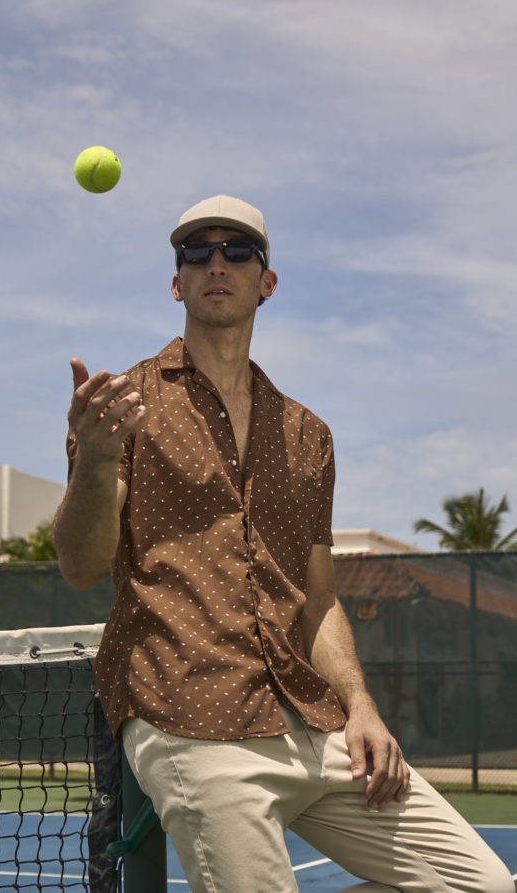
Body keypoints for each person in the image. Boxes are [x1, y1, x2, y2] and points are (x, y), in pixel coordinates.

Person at [53, 195, 513, 892]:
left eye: (236, 251)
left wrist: (361, 707)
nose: (216, 262)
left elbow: (320, 599)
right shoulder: (123, 409)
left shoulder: (308, 435)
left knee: (482, 884)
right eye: (196, 252)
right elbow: (81, 566)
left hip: (314, 725)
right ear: (176, 281)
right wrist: (92, 461)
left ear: (266, 281)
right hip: (188, 720)